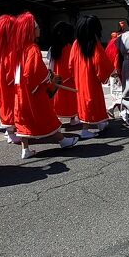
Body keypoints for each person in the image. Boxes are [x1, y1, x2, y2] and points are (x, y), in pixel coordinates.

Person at [12, 12, 79, 159]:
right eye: (36, 26)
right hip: (34, 91)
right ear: (31, 30)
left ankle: (25, 149)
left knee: (24, 119)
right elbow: (34, 71)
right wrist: (48, 77)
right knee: (45, 115)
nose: (39, 29)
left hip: (21, 90)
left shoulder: (18, 49)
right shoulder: (32, 49)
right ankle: (62, 140)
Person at [70, 15, 114, 138]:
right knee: (92, 100)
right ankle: (85, 129)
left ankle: (100, 123)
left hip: (80, 77)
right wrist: (109, 72)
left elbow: (71, 63)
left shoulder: (76, 43)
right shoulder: (94, 44)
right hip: (91, 78)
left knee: (85, 101)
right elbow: (101, 62)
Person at [0, 14, 20, 144]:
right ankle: (12, 132)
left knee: (3, 106)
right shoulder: (12, 50)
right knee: (13, 107)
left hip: (0, 85)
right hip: (11, 86)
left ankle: (9, 131)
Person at [48, 21, 79, 125]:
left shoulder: (53, 48)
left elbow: (51, 63)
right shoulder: (71, 47)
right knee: (71, 100)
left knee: (57, 100)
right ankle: (73, 119)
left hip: (57, 79)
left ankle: (57, 117)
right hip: (70, 78)